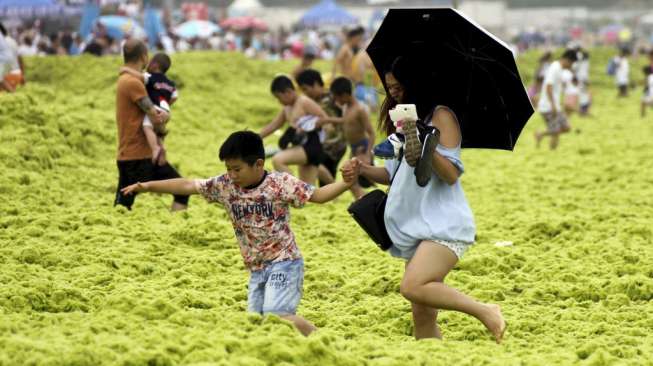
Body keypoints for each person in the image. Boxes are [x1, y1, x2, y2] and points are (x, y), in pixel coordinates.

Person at [120, 131, 359, 336]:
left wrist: (346, 184)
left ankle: (321, 341)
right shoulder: (225, 186)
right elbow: (187, 185)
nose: (232, 175)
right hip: (256, 267)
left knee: (277, 316)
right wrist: (147, 185)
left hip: (285, 261)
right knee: (255, 323)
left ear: (258, 164)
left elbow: (318, 196)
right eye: (228, 169)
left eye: (237, 169)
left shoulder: (279, 183)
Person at [341, 56, 506, 343]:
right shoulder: (401, 122)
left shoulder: (441, 116)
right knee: (422, 314)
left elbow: (452, 174)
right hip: (414, 224)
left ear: (415, 84)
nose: (393, 93)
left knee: (413, 286)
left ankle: (485, 310)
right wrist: (362, 169)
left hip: (443, 223)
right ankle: (429, 356)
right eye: (389, 88)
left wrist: (424, 141)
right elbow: (394, 174)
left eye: (398, 87)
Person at [113, 39, 188, 211]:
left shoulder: (130, 79)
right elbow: (155, 116)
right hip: (136, 155)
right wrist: (163, 127)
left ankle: (174, 229)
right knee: (123, 205)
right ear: (143, 57)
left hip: (139, 154)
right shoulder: (132, 82)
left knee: (181, 190)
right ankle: (175, 228)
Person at [259, 75, 327, 185]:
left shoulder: (304, 101)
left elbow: (324, 118)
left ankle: (292, 188)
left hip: (312, 145)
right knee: (307, 190)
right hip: (301, 146)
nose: (279, 101)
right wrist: (255, 137)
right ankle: (297, 190)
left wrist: (305, 128)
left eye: (278, 97)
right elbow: (273, 126)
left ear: (288, 92)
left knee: (278, 160)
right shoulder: (287, 108)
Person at [316, 77, 375, 198]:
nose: (336, 101)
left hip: (362, 147)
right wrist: (328, 120)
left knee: (354, 182)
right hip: (353, 148)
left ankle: (365, 204)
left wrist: (368, 154)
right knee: (352, 182)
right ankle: (362, 202)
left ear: (345, 95)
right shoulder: (345, 107)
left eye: (337, 97)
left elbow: (371, 133)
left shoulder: (360, 110)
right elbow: (345, 121)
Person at [120, 53, 178, 165]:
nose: (147, 65)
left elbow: (139, 76)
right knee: (159, 133)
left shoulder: (151, 77)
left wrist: (126, 70)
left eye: (150, 62)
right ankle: (162, 148)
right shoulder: (170, 83)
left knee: (147, 127)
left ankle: (155, 148)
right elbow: (175, 96)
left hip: (155, 108)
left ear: (155, 65)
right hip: (165, 111)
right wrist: (167, 105)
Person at [295, 69, 346, 187]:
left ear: (316, 84)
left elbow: (347, 118)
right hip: (324, 143)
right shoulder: (311, 101)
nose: (305, 93)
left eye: (305, 89)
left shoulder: (333, 98)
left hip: (333, 145)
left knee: (311, 161)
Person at [534, 49, 577, 150]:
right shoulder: (555, 68)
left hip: (554, 106)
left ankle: (541, 134)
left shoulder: (559, 69)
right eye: (571, 63)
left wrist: (557, 104)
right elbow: (548, 86)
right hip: (548, 107)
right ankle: (552, 152)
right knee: (556, 131)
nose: (571, 66)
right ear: (567, 60)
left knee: (566, 128)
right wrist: (553, 105)